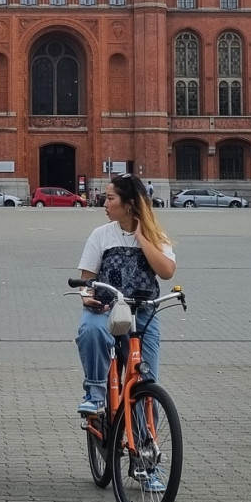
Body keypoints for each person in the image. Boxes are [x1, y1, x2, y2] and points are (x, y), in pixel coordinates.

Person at [75, 173, 176, 419]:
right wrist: (86, 296)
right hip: (105, 309)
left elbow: (167, 271)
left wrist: (141, 238)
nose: (104, 204)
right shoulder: (101, 235)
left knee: (145, 380)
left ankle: (145, 448)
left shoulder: (154, 236)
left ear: (129, 205)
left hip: (141, 314)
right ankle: (95, 394)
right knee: (91, 330)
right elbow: (86, 278)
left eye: (110, 199)